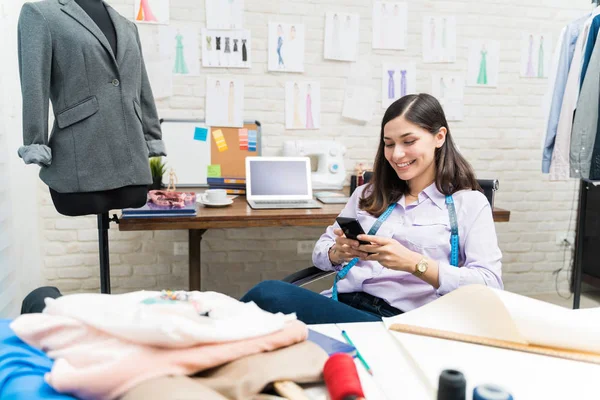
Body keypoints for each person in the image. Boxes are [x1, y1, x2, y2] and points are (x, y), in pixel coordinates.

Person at [241, 93, 503, 324]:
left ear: (439, 137)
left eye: (408, 141)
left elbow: (490, 284)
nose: (397, 154)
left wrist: (415, 264)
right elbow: (320, 252)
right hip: (339, 304)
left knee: (268, 296)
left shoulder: (468, 203)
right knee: (256, 324)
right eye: (389, 144)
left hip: (397, 322)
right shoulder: (368, 194)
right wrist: (337, 252)